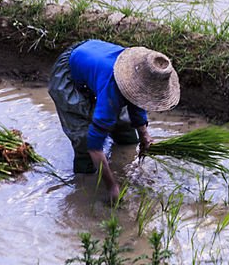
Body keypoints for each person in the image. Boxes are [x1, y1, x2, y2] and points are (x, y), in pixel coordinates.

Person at [48, 39, 180, 203]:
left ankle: (125, 142)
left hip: (96, 63)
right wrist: (111, 185)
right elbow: (94, 146)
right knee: (84, 137)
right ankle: (83, 183)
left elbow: (137, 99)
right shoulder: (114, 87)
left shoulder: (138, 71)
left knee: (126, 130)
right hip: (70, 74)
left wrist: (144, 135)